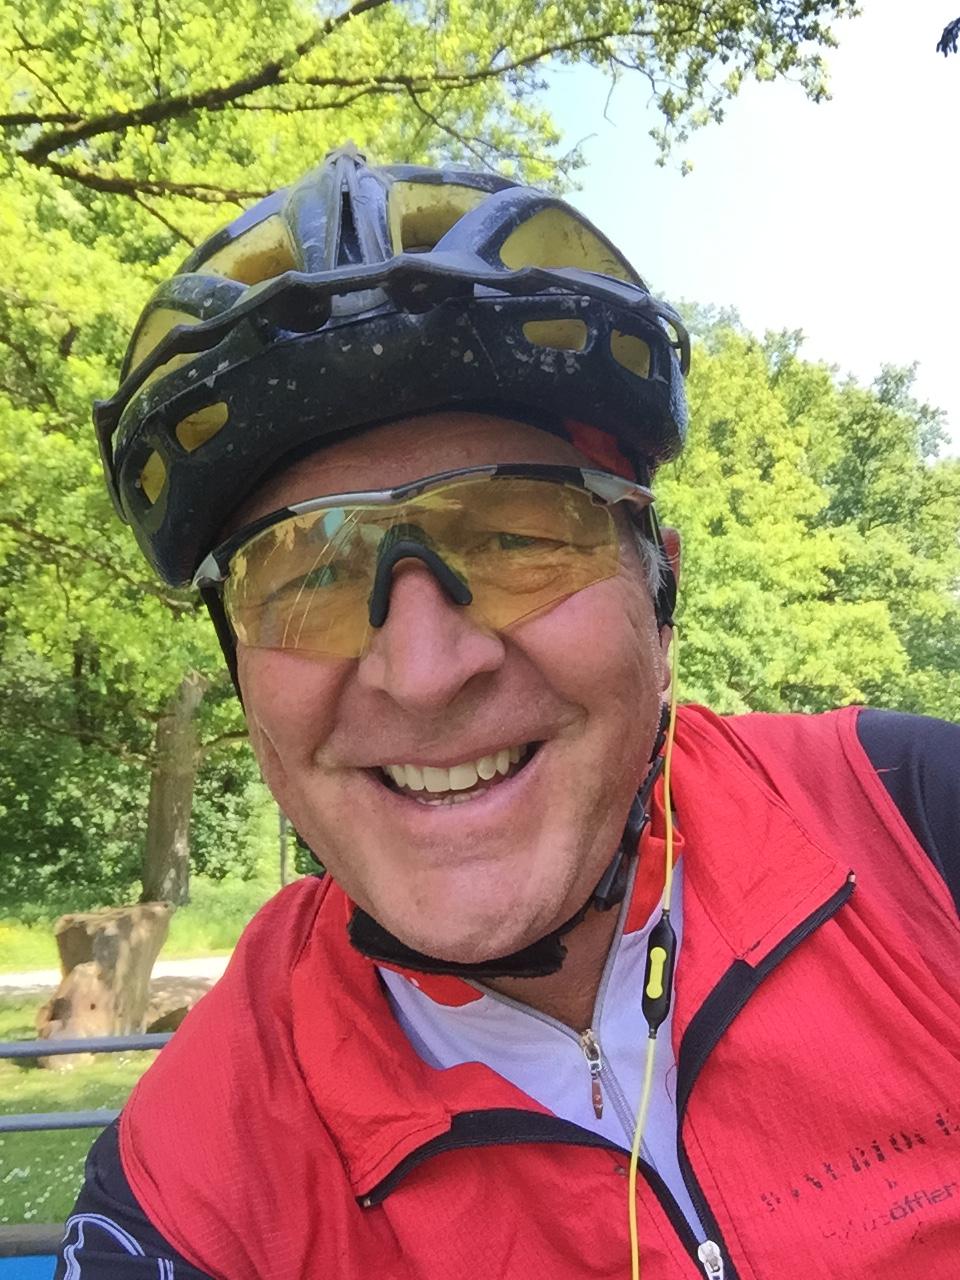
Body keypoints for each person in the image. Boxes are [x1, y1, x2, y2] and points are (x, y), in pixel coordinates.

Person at [57, 147, 960, 1280]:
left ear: (662, 598)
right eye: (307, 574)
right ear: (242, 676)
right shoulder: (199, 1179)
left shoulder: (917, 825)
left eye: (518, 537)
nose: (424, 672)